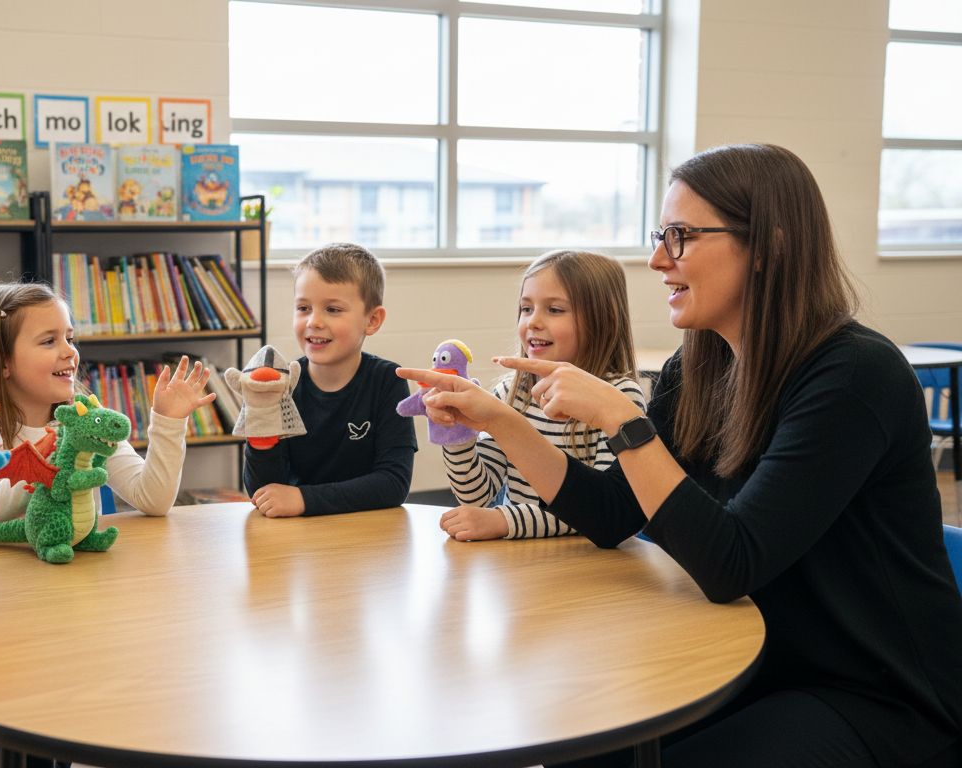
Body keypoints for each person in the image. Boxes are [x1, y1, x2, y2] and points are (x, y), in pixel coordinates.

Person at [398, 144, 962, 768]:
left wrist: (621, 420)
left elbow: (732, 561)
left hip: (874, 693)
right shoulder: (697, 366)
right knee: (585, 746)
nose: (657, 259)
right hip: (750, 654)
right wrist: (500, 419)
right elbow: (612, 514)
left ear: (767, 246)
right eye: (660, 235)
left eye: (682, 236)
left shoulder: (854, 375)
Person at [0, 281, 214, 521]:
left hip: (78, 572)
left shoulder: (86, 422)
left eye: (69, 338)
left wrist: (169, 421)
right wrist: (49, 458)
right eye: (49, 341)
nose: (70, 352)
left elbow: (153, 499)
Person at [440, 250, 645, 542]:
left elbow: (602, 510)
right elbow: (477, 495)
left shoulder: (619, 398)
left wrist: (505, 520)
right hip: (523, 565)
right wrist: (456, 432)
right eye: (526, 309)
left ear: (604, 319)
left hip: (594, 567)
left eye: (555, 310)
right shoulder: (511, 394)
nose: (533, 322)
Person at [244, 243, 416, 517]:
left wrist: (304, 499)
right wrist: (259, 426)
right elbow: (263, 490)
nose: (314, 321)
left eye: (333, 309)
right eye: (303, 308)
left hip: (369, 535)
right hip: (298, 538)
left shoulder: (388, 381)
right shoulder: (281, 386)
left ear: (372, 320)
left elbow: (393, 484)